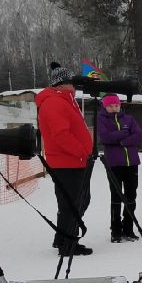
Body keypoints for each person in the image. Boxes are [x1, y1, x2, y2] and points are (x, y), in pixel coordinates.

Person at [37, 62, 94, 256]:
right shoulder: (54, 102)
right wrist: (81, 151)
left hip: (70, 161)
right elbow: (61, 135)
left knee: (74, 202)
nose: (75, 87)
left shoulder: (62, 100)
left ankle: (63, 238)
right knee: (73, 203)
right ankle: (67, 243)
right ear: (62, 84)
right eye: (72, 83)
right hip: (67, 162)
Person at [97, 93, 142, 243]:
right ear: (105, 106)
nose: (114, 108)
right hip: (114, 164)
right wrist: (122, 134)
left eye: (116, 105)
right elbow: (104, 138)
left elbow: (138, 135)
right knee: (116, 197)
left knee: (131, 196)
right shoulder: (101, 119)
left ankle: (128, 228)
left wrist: (123, 142)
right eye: (111, 105)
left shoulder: (128, 119)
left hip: (132, 163)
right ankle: (115, 230)